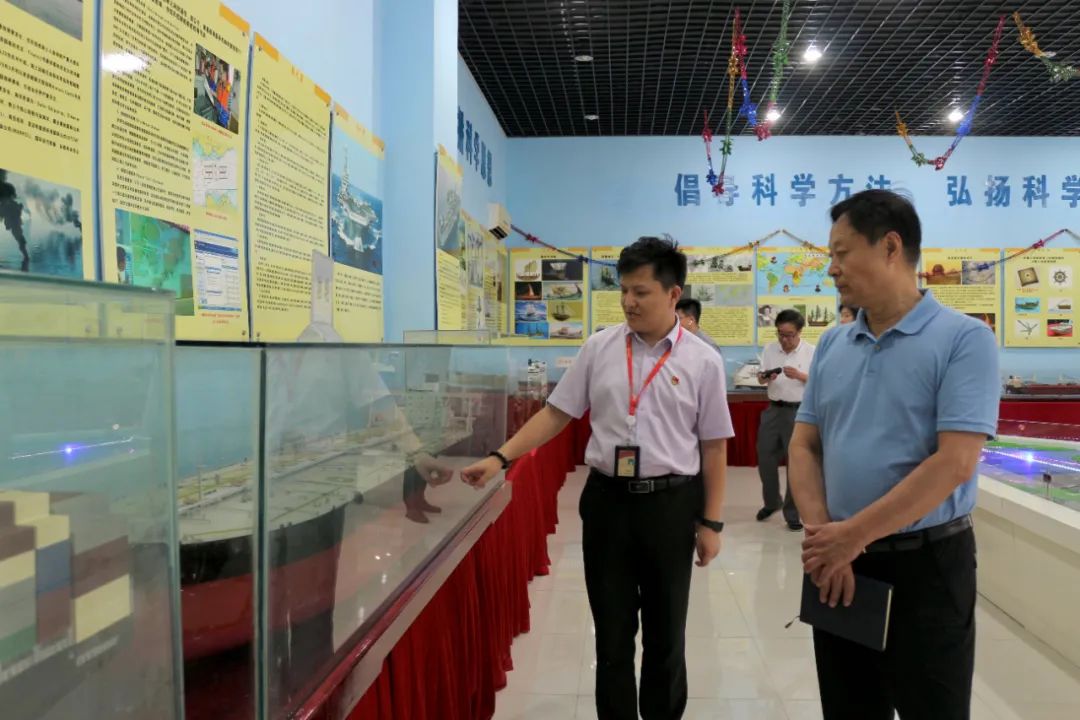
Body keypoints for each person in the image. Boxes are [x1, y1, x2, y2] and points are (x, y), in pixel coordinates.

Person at [462, 236, 733, 720]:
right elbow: (557, 413)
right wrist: (500, 458)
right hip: (608, 504)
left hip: (670, 507)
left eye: (641, 292)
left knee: (666, 635)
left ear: (673, 294)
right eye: (624, 290)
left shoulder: (703, 361)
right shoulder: (599, 347)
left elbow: (714, 446)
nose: (629, 302)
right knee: (611, 635)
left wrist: (711, 524)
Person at [788, 189, 999, 719]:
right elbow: (805, 444)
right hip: (839, 563)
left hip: (926, 566)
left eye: (841, 253)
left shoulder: (964, 340)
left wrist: (851, 536)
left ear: (889, 247)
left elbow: (955, 462)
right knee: (849, 706)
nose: (832, 268)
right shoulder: (833, 344)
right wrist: (825, 538)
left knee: (933, 707)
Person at [755, 309, 814, 531]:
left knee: (795, 464)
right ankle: (772, 502)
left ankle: (793, 513)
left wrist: (799, 375)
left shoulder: (811, 352)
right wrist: (765, 377)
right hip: (773, 410)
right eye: (780, 334)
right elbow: (760, 379)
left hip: (799, 413)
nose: (784, 339)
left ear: (799, 332)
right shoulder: (770, 349)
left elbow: (819, 381)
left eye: (789, 335)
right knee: (765, 458)